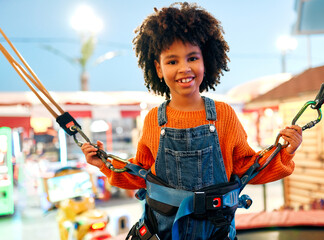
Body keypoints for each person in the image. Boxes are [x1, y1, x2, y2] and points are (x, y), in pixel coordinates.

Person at [81, 2, 302, 239]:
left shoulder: (223, 115)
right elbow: (141, 174)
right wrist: (103, 163)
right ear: (158, 68)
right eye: (172, 61)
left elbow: (247, 167)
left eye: (192, 58)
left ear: (205, 61)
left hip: (215, 233)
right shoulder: (154, 120)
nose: (184, 68)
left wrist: (285, 151)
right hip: (163, 233)